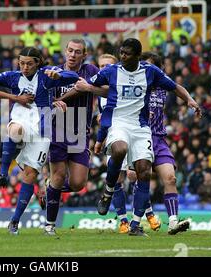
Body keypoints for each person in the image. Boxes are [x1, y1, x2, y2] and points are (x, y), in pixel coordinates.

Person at [0, 47, 78, 235]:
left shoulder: (46, 75)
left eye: (29, 63)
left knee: (29, 176)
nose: (24, 67)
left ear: (37, 62)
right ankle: (3, 173)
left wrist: (58, 75)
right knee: (14, 129)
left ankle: (14, 221)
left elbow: (73, 77)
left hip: (42, 130)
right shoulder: (13, 77)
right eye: (21, 63)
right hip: (21, 119)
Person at [86, 38, 201, 236]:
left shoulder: (150, 73)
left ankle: (136, 224)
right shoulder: (112, 72)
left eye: (127, 53)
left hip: (143, 129)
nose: (122, 56)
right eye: (120, 52)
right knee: (120, 152)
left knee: (144, 172)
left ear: (137, 56)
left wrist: (190, 100)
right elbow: (87, 85)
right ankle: (109, 191)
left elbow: (174, 86)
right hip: (119, 123)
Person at [43, 39, 100, 236]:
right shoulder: (53, 71)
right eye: (70, 50)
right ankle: (50, 225)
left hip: (79, 134)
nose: (73, 55)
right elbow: (43, 97)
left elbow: (105, 88)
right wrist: (54, 103)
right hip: (57, 131)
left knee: (78, 183)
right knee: (58, 176)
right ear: (65, 52)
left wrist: (90, 89)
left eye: (77, 52)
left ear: (84, 55)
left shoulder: (90, 71)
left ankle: (49, 189)